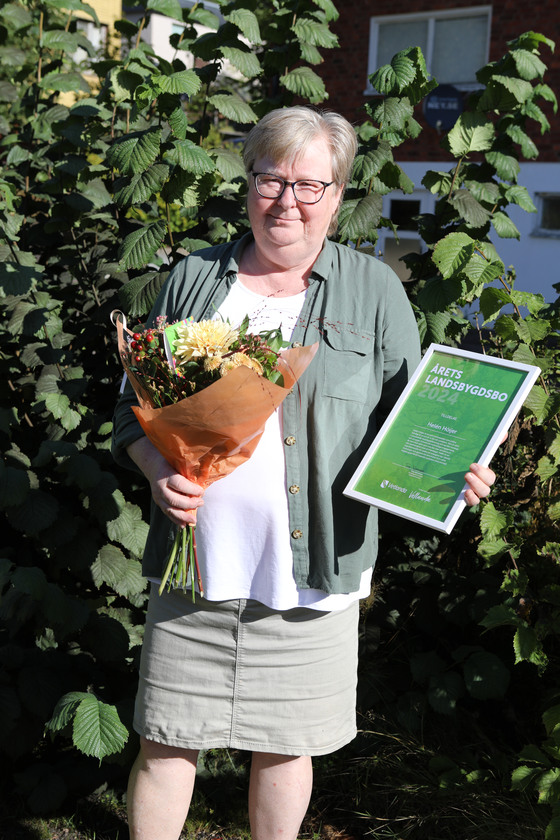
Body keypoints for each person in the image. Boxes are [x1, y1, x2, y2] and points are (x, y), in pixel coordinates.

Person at [112, 106, 497, 840]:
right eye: (270, 178)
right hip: (194, 570)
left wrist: (455, 467)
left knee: (286, 750)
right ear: (248, 182)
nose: (286, 200)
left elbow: (413, 422)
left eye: (308, 184)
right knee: (165, 743)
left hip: (314, 575)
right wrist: (156, 469)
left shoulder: (375, 291)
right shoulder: (194, 280)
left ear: (338, 191)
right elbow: (131, 412)